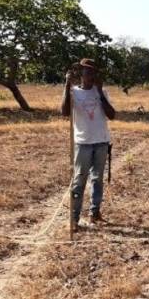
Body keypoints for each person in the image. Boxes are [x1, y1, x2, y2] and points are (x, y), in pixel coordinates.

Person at [61, 58, 116, 227]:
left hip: (101, 142)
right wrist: (66, 86)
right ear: (81, 73)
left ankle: (94, 212)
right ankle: (74, 219)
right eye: (87, 71)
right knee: (79, 181)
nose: (90, 74)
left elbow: (112, 115)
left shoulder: (102, 92)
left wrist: (99, 92)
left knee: (97, 179)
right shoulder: (74, 92)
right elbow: (64, 112)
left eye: (93, 71)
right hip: (83, 143)